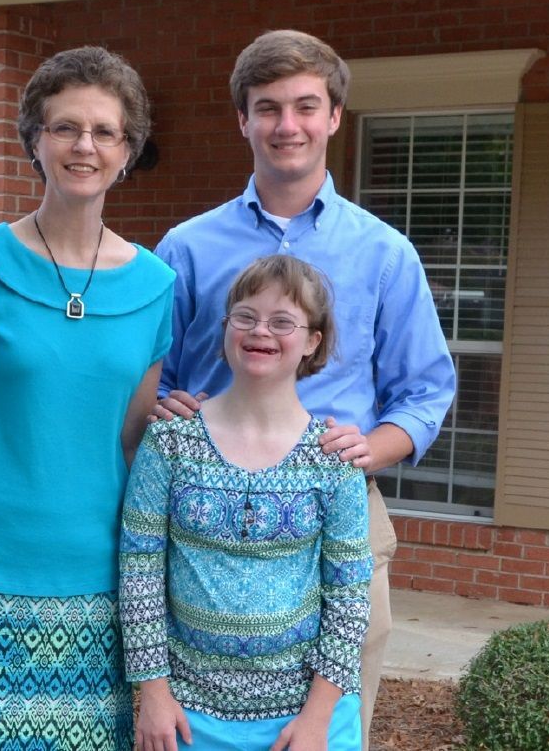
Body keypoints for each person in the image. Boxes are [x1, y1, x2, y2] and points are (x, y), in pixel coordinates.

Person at [153, 29, 456, 749]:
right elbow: (152, 376)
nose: (285, 126)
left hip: (341, 519)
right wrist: (159, 404)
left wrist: (372, 447)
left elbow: (425, 390)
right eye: (266, 108)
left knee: (326, 730)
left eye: (303, 106)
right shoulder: (186, 249)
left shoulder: (384, 254)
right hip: (200, 526)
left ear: (332, 117)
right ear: (242, 120)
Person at [0, 46, 175, 750]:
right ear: (35, 139)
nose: (82, 146)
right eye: (64, 128)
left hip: (99, 586)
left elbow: (129, 440)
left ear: (127, 151)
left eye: (103, 132)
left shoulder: (155, 286)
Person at [122, 255, 372, 751]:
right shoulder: (171, 443)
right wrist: (153, 694)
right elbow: (139, 571)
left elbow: (349, 598)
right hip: (189, 718)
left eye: (283, 321)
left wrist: (317, 720)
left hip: (305, 721)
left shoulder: (333, 457)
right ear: (225, 329)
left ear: (312, 342)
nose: (262, 331)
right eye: (246, 316)